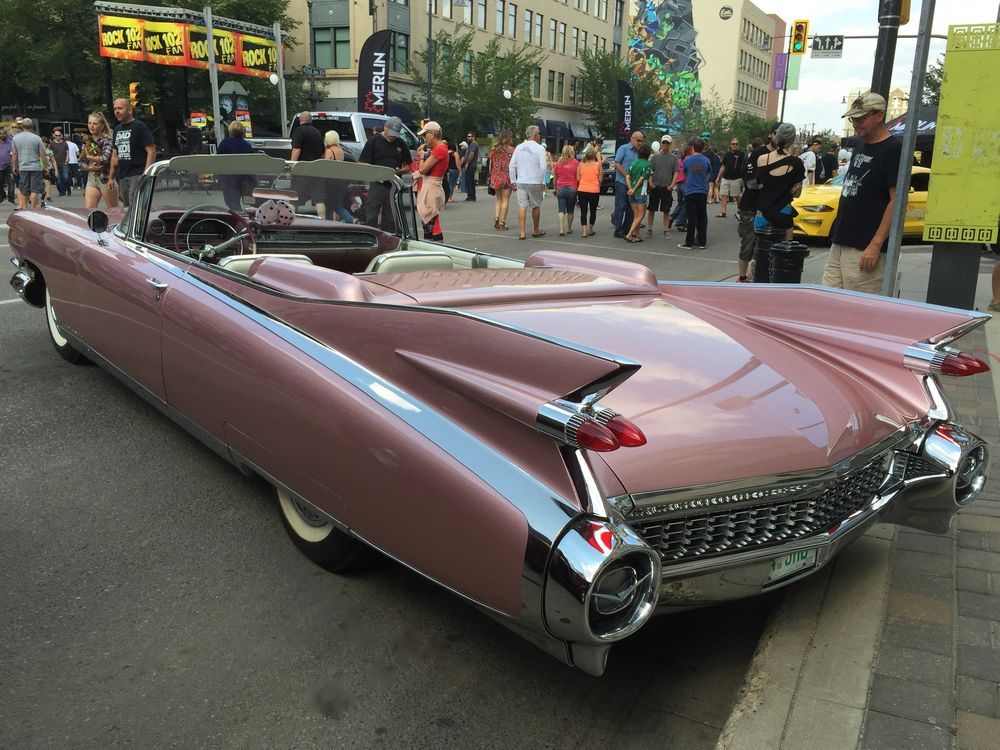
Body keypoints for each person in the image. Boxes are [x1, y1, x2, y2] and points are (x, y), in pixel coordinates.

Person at [822, 92, 902, 294]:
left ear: (879, 115)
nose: (856, 124)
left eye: (861, 118)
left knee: (857, 308)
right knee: (828, 302)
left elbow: (897, 201)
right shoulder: (860, 145)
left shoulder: (893, 149)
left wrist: (876, 244)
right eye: (853, 119)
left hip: (865, 246)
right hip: (841, 241)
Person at [752, 123, 805, 282]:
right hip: (783, 213)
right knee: (784, 256)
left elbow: (759, 184)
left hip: (762, 213)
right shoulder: (796, 163)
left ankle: (757, 281)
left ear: (776, 137)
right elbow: (797, 193)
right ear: (792, 140)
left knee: (760, 255)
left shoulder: (762, 159)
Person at [358, 115, 410, 232]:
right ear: (385, 127)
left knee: (390, 217)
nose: (392, 137)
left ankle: (388, 236)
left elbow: (408, 167)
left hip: (393, 184)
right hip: (377, 183)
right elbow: (362, 163)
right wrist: (377, 170)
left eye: (395, 135)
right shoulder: (373, 141)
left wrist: (400, 170)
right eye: (390, 133)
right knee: (371, 213)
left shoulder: (401, 143)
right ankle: (370, 234)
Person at [735, 132, 773, 282]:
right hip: (750, 208)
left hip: (768, 209)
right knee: (748, 246)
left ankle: (754, 278)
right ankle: (742, 278)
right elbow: (750, 183)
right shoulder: (756, 155)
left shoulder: (782, 157)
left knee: (762, 249)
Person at [109, 98, 156, 207]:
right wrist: (111, 177)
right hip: (122, 175)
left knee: (135, 206)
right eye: (115, 109)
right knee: (126, 207)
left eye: (120, 108)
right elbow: (115, 155)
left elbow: (151, 150)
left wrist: (146, 174)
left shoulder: (139, 126)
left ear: (129, 110)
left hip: (137, 174)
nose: (117, 111)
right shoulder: (117, 129)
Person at [508, 124, 548, 240]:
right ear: (535, 135)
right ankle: (536, 229)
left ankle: (522, 232)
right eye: (539, 134)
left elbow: (511, 165)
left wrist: (513, 180)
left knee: (522, 205)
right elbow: (543, 167)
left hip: (521, 180)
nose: (540, 136)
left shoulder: (519, 147)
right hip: (535, 180)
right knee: (536, 205)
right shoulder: (540, 149)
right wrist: (543, 181)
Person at [289, 111, 327, 219]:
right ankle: (323, 221)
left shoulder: (298, 131)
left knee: (294, 199)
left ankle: (291, 221)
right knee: (319, 200)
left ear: (300, 120)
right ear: (311, 120)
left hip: (302, 171)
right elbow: (323, 153)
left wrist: (290, 169)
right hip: (316, 171)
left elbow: (296, 150)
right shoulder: (317, 132)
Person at [415, 121, 448, 241]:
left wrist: (421, 156)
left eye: (426, 135)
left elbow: (423, 169)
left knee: (431, 222)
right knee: (429, 223)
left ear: (432, 134)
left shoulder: (439, 149)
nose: (425, 138)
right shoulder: (439, 148)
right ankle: (431, 247)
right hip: (431, 187)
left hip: (432, 188)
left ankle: (437, 248)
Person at [678, 138, 711, 250]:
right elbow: (708, 174)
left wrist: (690, 181)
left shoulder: (687, 160)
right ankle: (702, 242)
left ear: (693, 147)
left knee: (691, 218)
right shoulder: (706, 160)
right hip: (702, 190)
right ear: (703, 148)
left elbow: (685, 174)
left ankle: (689, 242)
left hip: (690, 191)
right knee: (702, 217)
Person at [81, 112, 117, 209]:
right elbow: (80, 161)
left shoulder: (107, 140)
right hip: (92, 179)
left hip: (105, 178)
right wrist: (89, 167)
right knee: (89, 210)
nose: (91, 126)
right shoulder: (87, 141)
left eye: (95, 124)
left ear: (102, 126)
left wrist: (89, 157)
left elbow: (105, 158)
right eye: (89, 123)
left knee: (113, 210)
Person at [216, 120, 254, 212]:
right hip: (244, 177)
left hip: (229, 177)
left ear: (230, 131)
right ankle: (241, 214)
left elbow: (219, 161)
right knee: (236, 200)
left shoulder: (224, 143)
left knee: (230, 201)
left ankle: (240, 215)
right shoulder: (247, 145)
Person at [318, 130, 355, 223]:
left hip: (330, 182)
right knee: (336, 204)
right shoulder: (341, 150)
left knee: (331, 205)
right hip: (340, 181)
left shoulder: (329, 151)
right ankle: (332, 223)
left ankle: (350, 219)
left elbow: (326, 167)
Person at [612, 131, 643, 237]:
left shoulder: (639, 153)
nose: (640, 143)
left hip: (633, 185)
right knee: (620, 206)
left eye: (641, 141)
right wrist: (626, 175)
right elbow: (616, 164)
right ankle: (618, 230)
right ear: (632, 139)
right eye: (638, 140)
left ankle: (626, 229)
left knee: (631, 208)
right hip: (622, 181)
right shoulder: (623, 148)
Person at [647, 134, 678, 237]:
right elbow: (650, 171)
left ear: (670, 144)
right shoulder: (655, 157)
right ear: (661, 143)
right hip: (655, 186)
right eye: (664, 142)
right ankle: (649, 230)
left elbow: (676, 172)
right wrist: (650, 183)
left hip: (667, 187)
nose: (665, 144)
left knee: (666, 210)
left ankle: (666, 230)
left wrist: (672, 185)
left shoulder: (674, 158)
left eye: (667, 143)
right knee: (651, 209)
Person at [624, 143, 653, 242]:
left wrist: (630, 188)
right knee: (641, 215)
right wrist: (635, 189)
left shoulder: (633, 163)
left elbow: (627, 176)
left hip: (632, 192)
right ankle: (629, 234)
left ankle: (638, 235)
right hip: (641, 192)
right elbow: (642, 178)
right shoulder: (647, 164)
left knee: (636, 215)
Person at [489, 130, 514, 230]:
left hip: (496, 177)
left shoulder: (494, 150)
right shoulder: (512, 150)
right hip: (507, 177)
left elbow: (490, 165)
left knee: (498, 199)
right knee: (505, 199)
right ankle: (502, 221)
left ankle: (496, 217)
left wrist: (492, 174)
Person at [553, 145, 579, 236]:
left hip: (560, 187)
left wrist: (555, 188)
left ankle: (561, 229)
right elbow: (578, 177)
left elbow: (555, 178)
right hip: (572, 188)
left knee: (561, 210)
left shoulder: (558, 163)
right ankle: (569, 228)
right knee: (570, 210)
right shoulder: (576, 163)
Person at [576, 145, 601, 238]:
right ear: (594, 155)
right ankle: (590, 229)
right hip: (594, 190)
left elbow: (578, 178)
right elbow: (600, 179)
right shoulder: (598, 165)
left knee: (583, 211)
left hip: (582, 189)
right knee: (593, 211)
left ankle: (584, 231)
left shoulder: (581, 164)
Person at [716, 137, 745, 218]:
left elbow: (744, 166)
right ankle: (723, 212)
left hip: (736, 178)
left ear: (738, 145)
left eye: (736, 144)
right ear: (730, 145)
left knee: (736, 195)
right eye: (733, 144)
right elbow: (723, 166)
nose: (735, 145)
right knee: (724, 194)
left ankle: (741, 210)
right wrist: (718, 177)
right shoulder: (727, 154)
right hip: (725, 178)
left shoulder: (741, 154)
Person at [49, 127, 71, 197]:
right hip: (55, 163)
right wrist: (51, 163)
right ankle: (61, 192)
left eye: (59, 135)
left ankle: (68, 188)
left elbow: (67, 153)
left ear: (61, 135)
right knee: (58, 179)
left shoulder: (64, 143)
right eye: (56, 135)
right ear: (54, 136)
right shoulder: (52, 144)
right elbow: (50, 154)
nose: (58, 137)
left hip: (64, 163)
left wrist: (67, 160)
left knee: (66, 177)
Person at [462, 131, 480, 201]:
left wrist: (467, 163)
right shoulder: (471, 144)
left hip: (471, 165)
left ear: (473, 137)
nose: (468, 138)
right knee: (470, 180)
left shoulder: (473, 144)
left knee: (470, 180)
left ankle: (471, 196)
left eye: (469, 136)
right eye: (467, 136)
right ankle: (471, 195)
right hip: (470, 165)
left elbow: (472, 154)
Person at [0, 127, 14, 205]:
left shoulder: (10, 143)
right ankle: (2, 195)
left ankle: (11, 199)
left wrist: (13, 164)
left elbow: (13, 154)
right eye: (1, 134)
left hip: (9, 166)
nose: (3, 135)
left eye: (4, 133)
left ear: (6, 134)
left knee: (11, 183)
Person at [41, 137, 56, 204]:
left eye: (45, 142)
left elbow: (53, 160)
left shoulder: (49, 151)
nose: (44, 144)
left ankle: (48, 196)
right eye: (43, 142)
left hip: (48, 168)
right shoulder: (37, 151)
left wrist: (55, 169)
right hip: (39, 168)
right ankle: (43, 191)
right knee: (39, 183)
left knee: (48, 182)